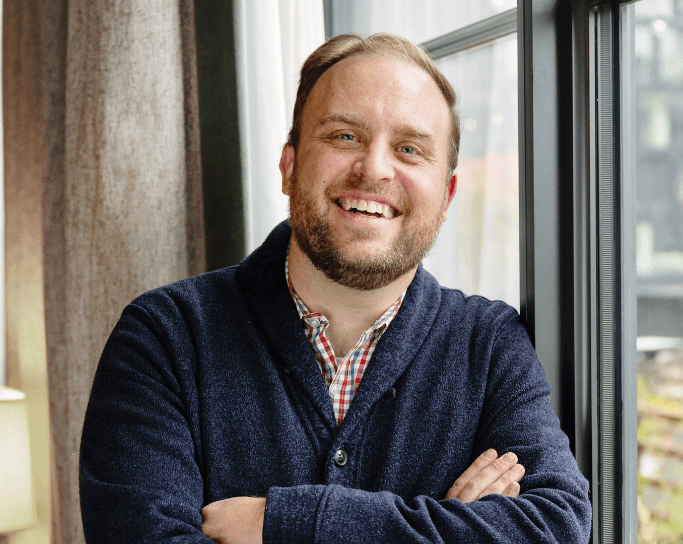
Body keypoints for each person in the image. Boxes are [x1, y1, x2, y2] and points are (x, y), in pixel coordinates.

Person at [79, 33, 591, 543]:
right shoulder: (164, 337)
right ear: (289, 165)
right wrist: (448, 524)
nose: (374, 169)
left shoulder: (490, 343)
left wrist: (284, 524)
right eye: (344, 136)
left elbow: (557, 525)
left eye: (409, 149)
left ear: (447, 194)